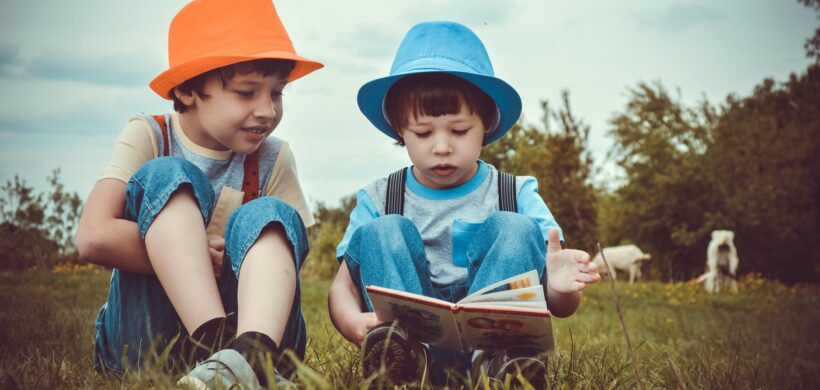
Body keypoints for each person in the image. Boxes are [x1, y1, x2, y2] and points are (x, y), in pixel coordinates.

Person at [327, 21, 601, 387]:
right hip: (411, 341)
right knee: (383, 231)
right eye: (423, 133)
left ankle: (504, 367)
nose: (442, 146)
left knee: (516, 227)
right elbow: (341, 287)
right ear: (399, 128)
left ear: (486, 123)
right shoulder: (380, 197)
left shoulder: (515, 192)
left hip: (494, 343)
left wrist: (560, 291)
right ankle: (402, 364)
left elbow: (559, 304)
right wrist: (351, 322)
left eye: (459, 131)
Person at [75, 0, 322, 387]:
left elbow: (286, 259)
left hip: (255, 329)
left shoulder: (274, 156)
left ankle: (252, 356)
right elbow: (93, 236)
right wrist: (191, 254)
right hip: (146, 341)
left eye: (277, 94)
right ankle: (219, 346)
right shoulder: (151, 135)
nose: (267, 111)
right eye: (246, 93)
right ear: (188, 89)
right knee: (167, 175)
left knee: (271, 215)